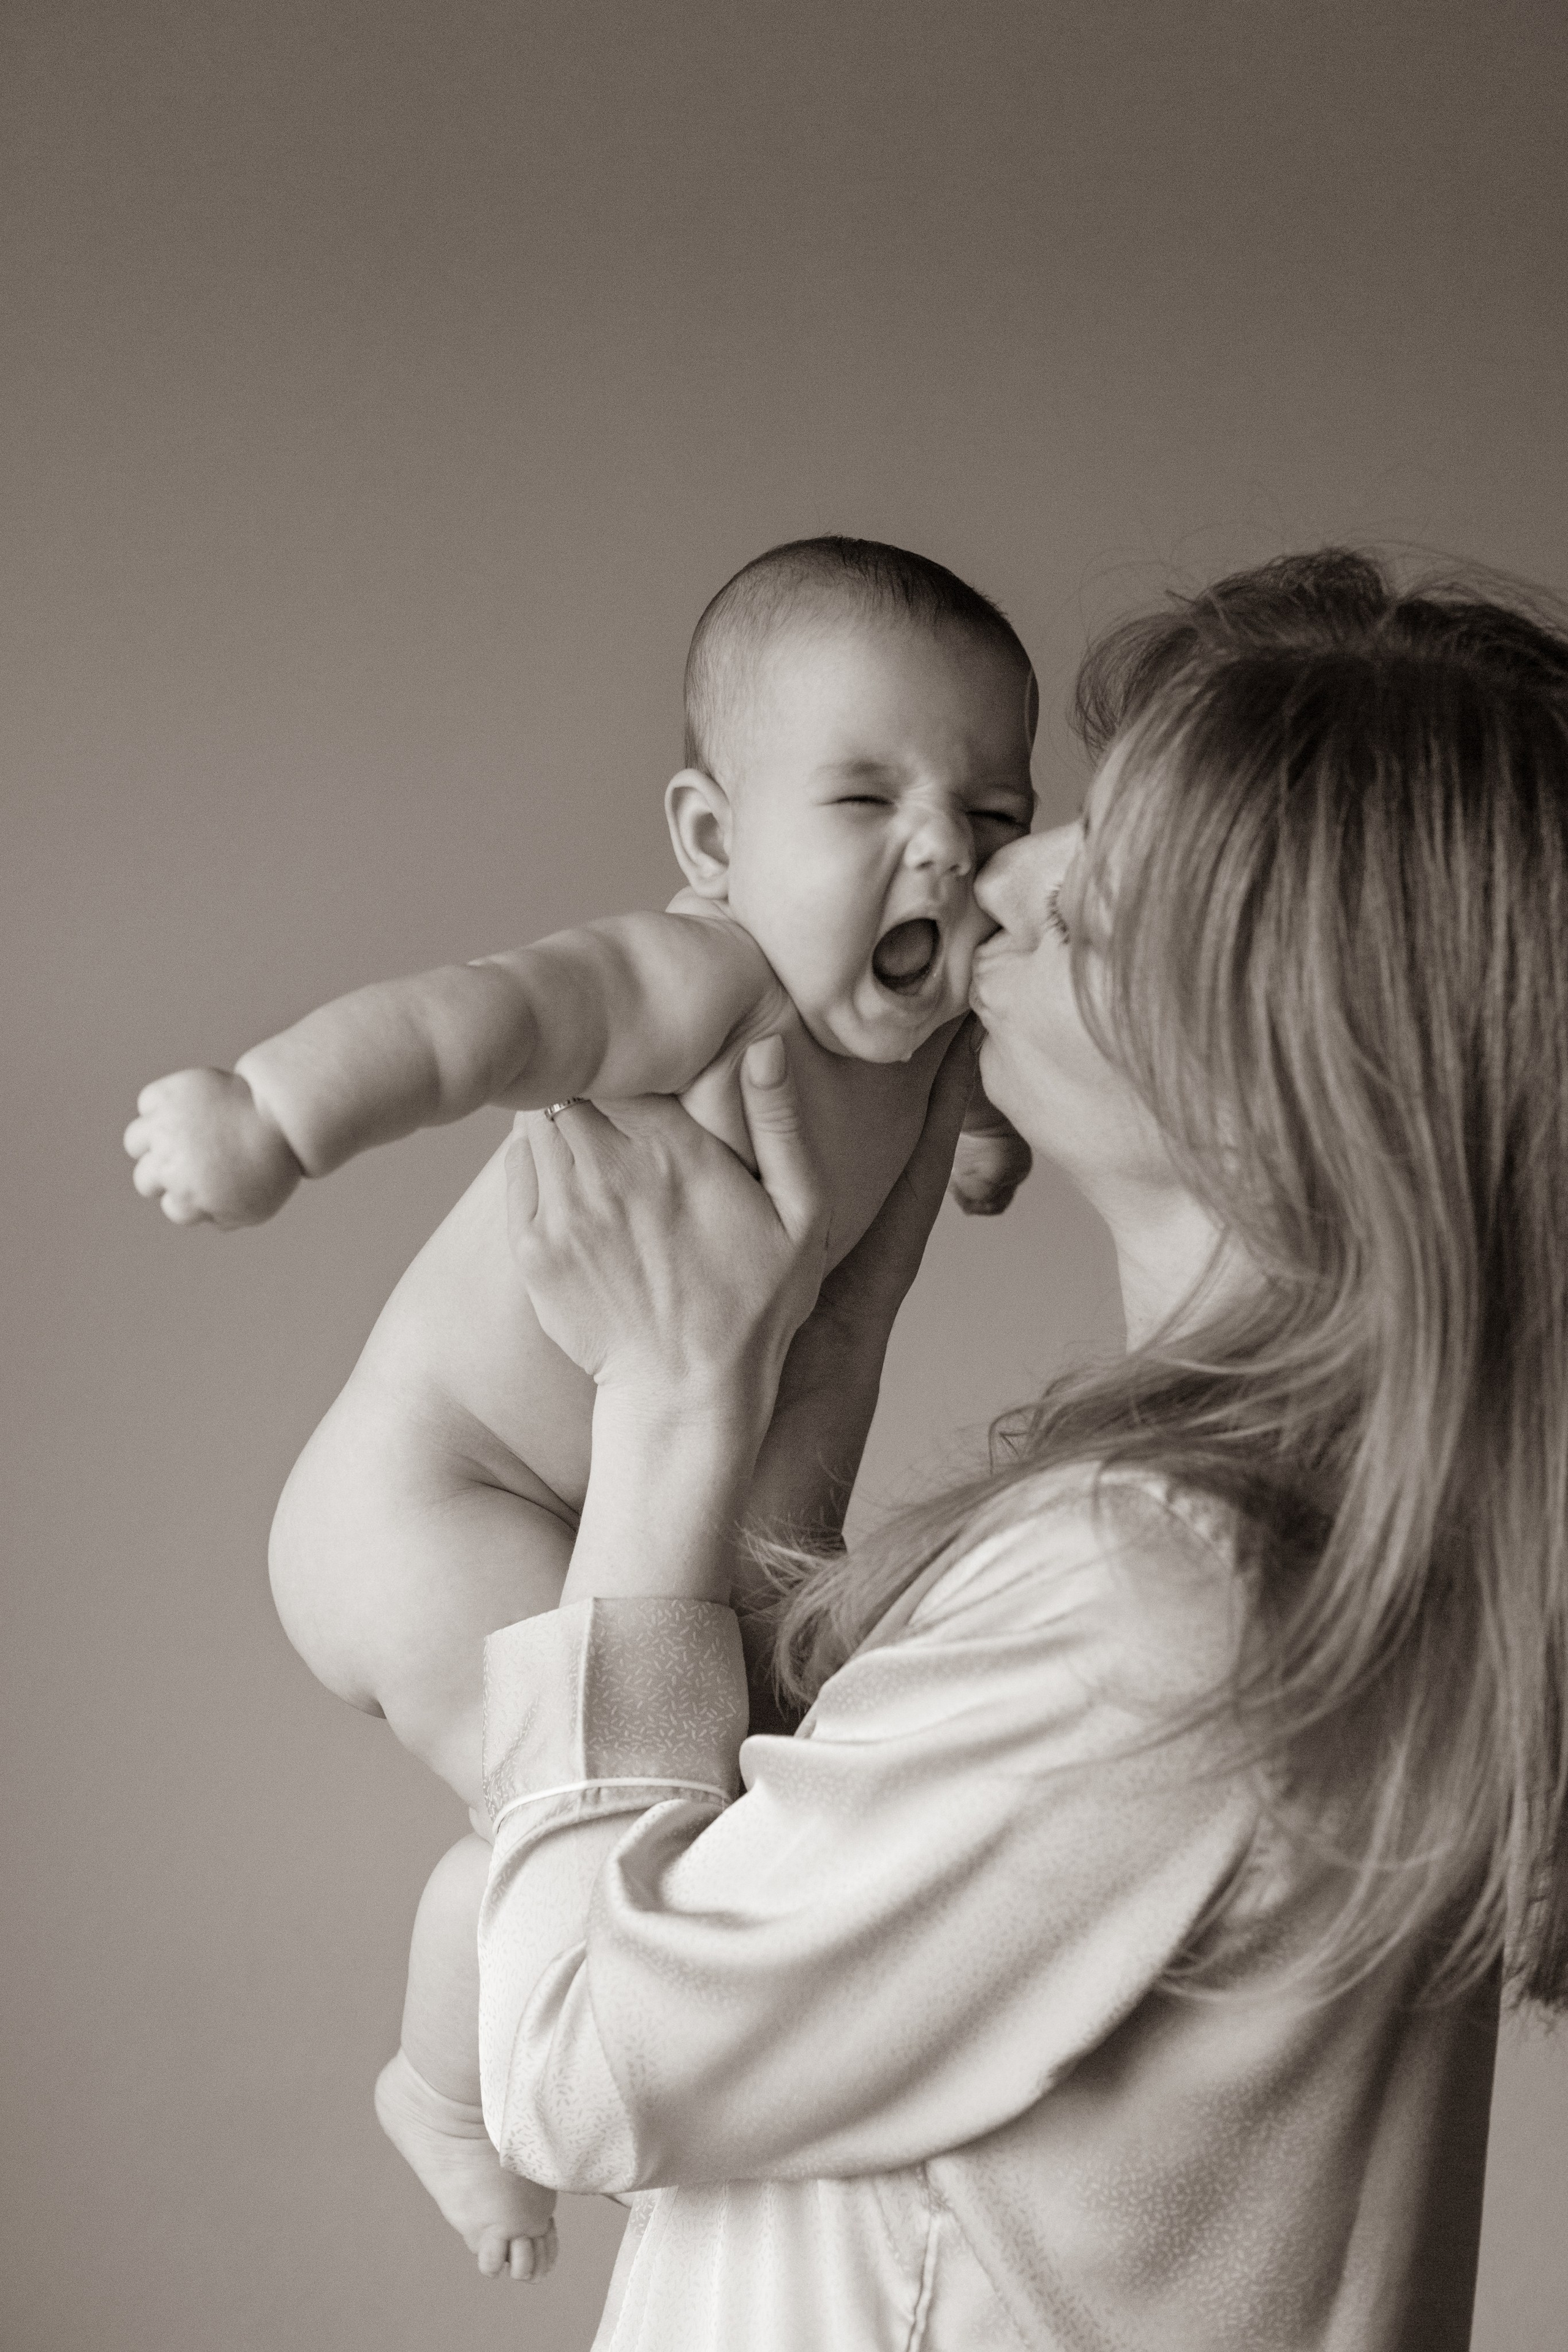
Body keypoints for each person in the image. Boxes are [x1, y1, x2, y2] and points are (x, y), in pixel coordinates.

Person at [479, 549, 1568, 2350]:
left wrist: (667, 1403)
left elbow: (573, 2057)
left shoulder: (1162, 1602)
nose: (1001, 876)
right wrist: (804, 1374)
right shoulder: (1329, 1549)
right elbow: (793, 1899)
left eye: (1101, 892)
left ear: (1289, 1070)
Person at [121, 538, 1038, 2277]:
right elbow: (481, 1021)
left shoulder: (920, 1037)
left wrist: (981, 1136)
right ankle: (444, 2089)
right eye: (866, 800)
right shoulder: (706, 980)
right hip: (428, 1502)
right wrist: (272, 1115)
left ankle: (510, 2071)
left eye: (992, 816)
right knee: (613, 1836)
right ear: (713, 843)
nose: (944, 850)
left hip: (600, 1510)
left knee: (726, 1802)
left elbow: (949, 1106)